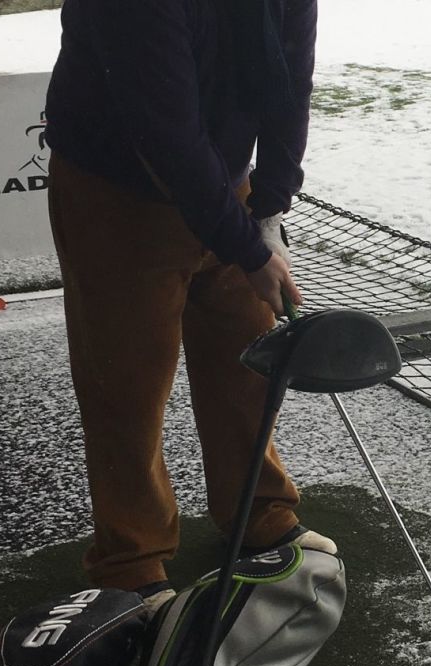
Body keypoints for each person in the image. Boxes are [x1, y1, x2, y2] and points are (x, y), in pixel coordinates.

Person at [43, 0, 332, 613]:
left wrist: (271, 207)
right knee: (126, 379)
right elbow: (163, 127)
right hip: (117, 188)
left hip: (225, 179)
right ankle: (131, 556)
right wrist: (248, 252)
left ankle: (256, 508)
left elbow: (290, 79)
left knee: (247, 357)